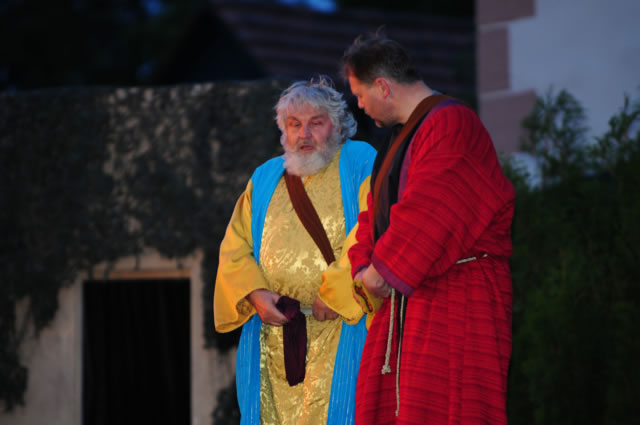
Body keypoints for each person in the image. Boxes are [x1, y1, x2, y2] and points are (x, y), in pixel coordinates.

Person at [342, 33, 515, 424]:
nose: (360, 105)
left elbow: (429, 212)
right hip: (409, 295)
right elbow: (373, 213)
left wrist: (380, 271)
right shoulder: (399, 139)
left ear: (383, 86)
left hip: (457, 295)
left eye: (360, 94)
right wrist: (363, 267)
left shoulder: (452, 124)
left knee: (450, 408)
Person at [214, 77, 377, 425]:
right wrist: (255, 294)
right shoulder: (264, 177)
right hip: (272, 340)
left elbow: (373, 227)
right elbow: (234, 247)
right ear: (283, 131)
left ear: (338, 126)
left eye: (316, 123)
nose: (304, 134)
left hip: (341, 329)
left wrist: (337, 292)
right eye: (294, 124)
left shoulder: (360, 161)